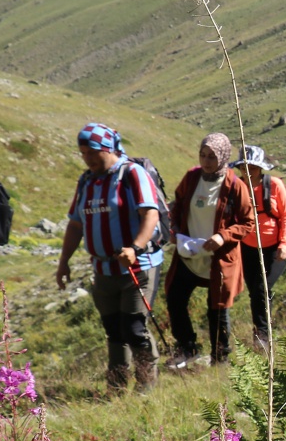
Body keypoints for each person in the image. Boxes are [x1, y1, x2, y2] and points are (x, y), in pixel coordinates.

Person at [56, 122, 164, 394]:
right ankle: (116, 385)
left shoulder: (132, 174)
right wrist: (64, 261)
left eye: (93, 152)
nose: (88, 158)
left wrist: (135, 247)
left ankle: (146, 385)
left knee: (134, 328)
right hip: (103, 269)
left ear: (108, 149)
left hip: (137, 267)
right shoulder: (86, 181)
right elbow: (76, 224)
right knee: (114, 329)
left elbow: (150, 213)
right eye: (83, 153)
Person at [164, 133, 255, 368]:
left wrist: (222, 236)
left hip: (219, 258)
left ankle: (220, 357)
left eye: (212, 157)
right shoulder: (192, 177)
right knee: (175, 296)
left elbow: (247, 222)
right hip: (190, 252)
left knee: (217, 306)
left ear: (223, 156)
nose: (206, 161)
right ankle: (187, 347)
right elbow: (177, 204)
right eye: (202, 155)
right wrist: (174, 228)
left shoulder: (235, 185)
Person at [233, 145, 286, 350]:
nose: (248, 171)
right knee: (256, 292)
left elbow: (285, 216)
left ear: (261, 168)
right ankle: (262, 335)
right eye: (244, 167)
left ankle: (263, 336)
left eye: (253, 167)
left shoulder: (274, 185)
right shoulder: (237, 187)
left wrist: (284, 244)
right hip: (247, 248)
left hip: (274, 248)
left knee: (262, 289)